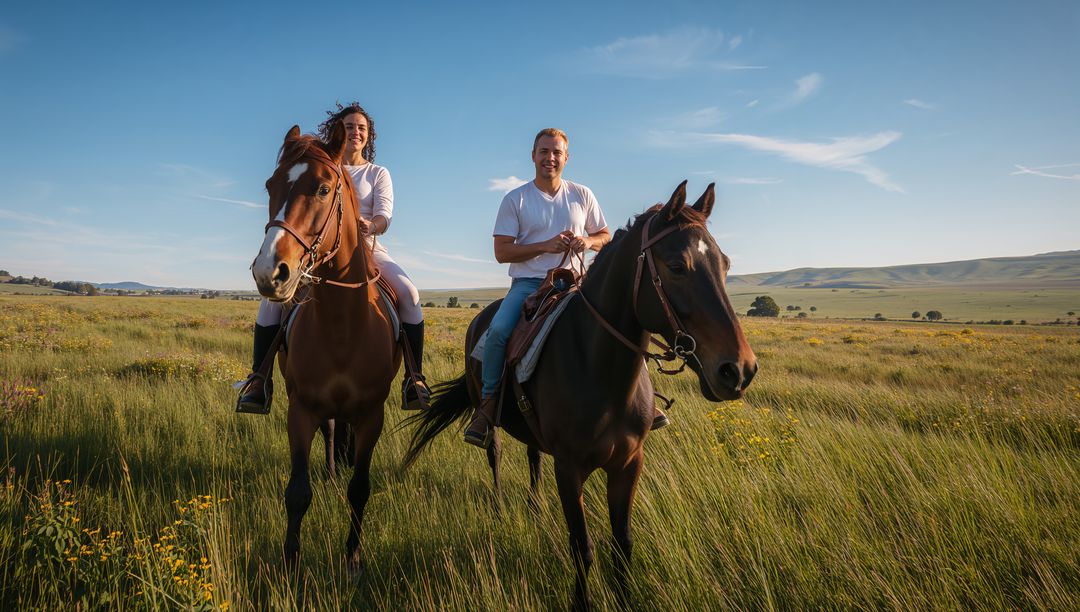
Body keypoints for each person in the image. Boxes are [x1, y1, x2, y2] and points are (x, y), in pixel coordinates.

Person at [463, 128, 669, 448]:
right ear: (533, 156)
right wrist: (544, 246)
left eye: (557, 152)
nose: (550, 158)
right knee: (500, 330)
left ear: (566, 158)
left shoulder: (582, 195)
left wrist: (587, 240)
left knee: (624, 325)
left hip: (577, 284)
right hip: (530, 285)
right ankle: (488, 405)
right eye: (544, 151)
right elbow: (502, 252)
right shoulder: (515, 198)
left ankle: (645, 400)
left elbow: (605, 237)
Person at [237, 102, 429, 414]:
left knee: (409, 294)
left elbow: (384, 215)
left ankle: (414, 378)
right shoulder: (321, 166)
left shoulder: (377, 173)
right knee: (272, 302)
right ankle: (259, 378)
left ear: (369, 136)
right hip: (318, 253)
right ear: (339, 132)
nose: (356, 132)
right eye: (350, 126)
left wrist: (370, 225)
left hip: (368, 250)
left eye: (362, 128)